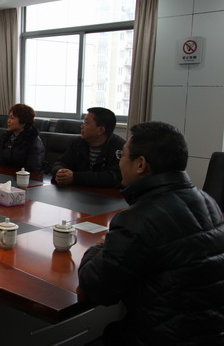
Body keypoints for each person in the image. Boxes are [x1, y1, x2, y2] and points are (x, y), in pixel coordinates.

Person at [78, 121, 224, 345]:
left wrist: (100, 246)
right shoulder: (207, 201)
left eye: (122, 155)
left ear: (140, 164)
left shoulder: (137, 219)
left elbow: (95, 288)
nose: (120, 162)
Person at [52, 107, 125, 188]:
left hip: (105, 194)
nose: (81, 126)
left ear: (100, 130)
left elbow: (113, 177)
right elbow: (60, 163)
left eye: (86, 123)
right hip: (78, 191)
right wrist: (60, 172)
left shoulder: (119, 147)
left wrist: (75, 177)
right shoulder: (77, 142)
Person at [0, 104, 45, 172]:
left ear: (23, 121)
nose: (8, 121)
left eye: (12, 118)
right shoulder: (5, 138)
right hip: (4, 175)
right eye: (9, 117)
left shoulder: (34, 141)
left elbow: (33, 169)